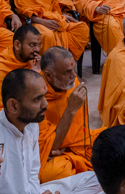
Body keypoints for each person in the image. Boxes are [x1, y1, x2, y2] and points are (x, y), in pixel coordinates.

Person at [0, 69, 102, 194]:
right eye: (37, 99)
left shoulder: (31, 124)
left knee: (94, 180)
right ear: (13, 106)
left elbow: (33, 172)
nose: (45, 104)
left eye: (44, 97)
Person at [39, 47, 95, 181]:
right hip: (53, 155)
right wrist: (71, 109)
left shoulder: (72, 83)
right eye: (67, 72)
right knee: (54, 173)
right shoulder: (35, 96)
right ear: (48, 75)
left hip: (77, 145)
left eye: (73, 69)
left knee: (116, 141)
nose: (74, 76)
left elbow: (81, 131)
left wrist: (66, 147)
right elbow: (48, 147)